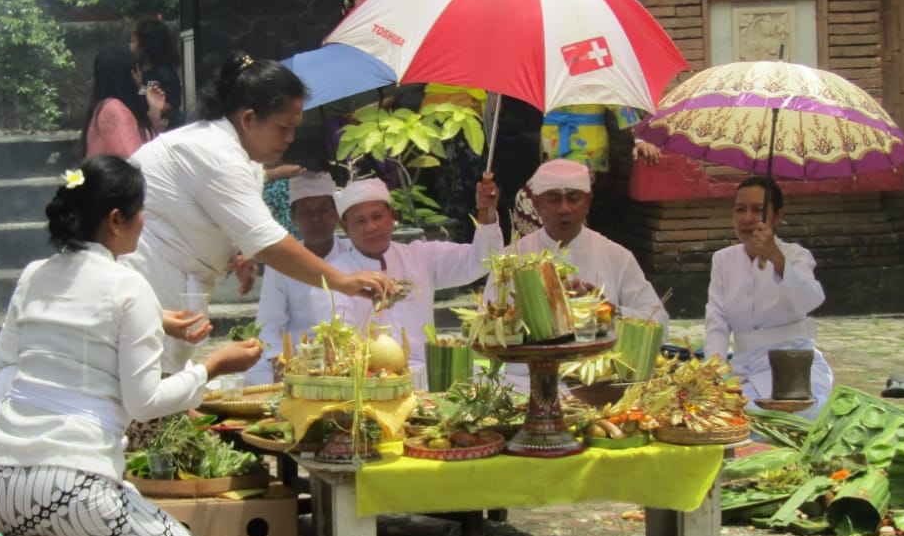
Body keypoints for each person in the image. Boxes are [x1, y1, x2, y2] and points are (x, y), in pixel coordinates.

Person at [0, 156, 263, 536]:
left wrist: (23, 421)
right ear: (116, 220)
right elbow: (146, 402)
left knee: (113, 506)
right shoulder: (128, 287)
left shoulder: (35, 273)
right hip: (70, 490)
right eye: (140, 211)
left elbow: (3, 364)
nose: (144, 220)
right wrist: (210, 368)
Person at [121, 52, 395, 372]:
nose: (290, 138)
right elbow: (266, 239)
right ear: (249, 119)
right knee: (146, 384)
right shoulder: (214, 152)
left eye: (294, 128)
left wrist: (237, 252)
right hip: (149, 271)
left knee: (164, 383)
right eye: (283, 128)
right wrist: (342, 280)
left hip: (178, 276)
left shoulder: (240, 156)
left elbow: (232, 221)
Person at [495, 159, 668, 387]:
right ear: (536, 204)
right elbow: (488, 330)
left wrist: (609, 311)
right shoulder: (512, 259)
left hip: (601, 386)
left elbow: (661, 326)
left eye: (574, 198)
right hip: (525, 384)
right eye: (554, 199)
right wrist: (539, 310)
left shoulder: (616, 256)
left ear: (588, 201)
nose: (564, 208)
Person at [328, 176, 503, 374]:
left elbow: (483, 260)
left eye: (377, 217)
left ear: (392, 216)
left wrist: (486, 213)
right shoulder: (337, 276)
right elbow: (341, 343)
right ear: (345, 228)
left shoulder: (420, 256)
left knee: (493, 371)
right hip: (369, 379)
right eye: (360, 221)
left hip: (427, 372)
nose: (371, 227)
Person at [704, 175, 833, 418]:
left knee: (802, 416)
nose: (747, 218)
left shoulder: (796, 255)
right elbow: (717, 322)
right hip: (745, 370)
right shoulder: (723, 260)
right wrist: (712, 375)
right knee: (718, 416)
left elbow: (812, 299)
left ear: (778, 216)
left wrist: (777, 259)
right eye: (740, 209)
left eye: (758, 210)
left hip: (795, 372)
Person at [246, 171, 351, 385]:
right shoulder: (281, 263)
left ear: (336, 214)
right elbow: (269, 323)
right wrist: (279, 361)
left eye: (323, 210)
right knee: (254, 376)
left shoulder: (353, 254)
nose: (316, 218)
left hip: (347, 354)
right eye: (306, 212)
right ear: (294, 218)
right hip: (294, 358)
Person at [83, 46, 158, 158]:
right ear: (133, 73)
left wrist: (155, 109)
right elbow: (134, 159)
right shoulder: (114, 109)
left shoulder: (109, 106)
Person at [540, 104, 659, 172]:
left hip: (586, 148)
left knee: (575, 194)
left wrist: (639, 140)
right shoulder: (549, 72)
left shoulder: (598, 74)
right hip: (549, 147)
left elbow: (622, 109)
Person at [131, 19, 184, 130]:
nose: (131, 47)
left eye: (133, 42)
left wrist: (142, 88)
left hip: (165, 128)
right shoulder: (136, 68)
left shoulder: (165, 73)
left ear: (146, 45)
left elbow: (170, 105)